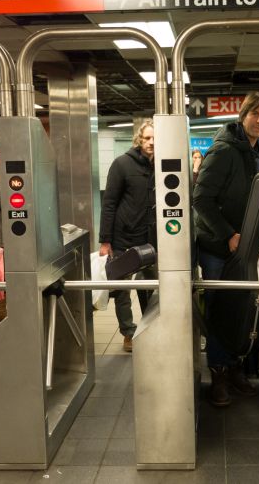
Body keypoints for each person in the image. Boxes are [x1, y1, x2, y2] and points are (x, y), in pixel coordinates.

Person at [193, 91, 259, 407]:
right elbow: (201, 199)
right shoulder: (224, 150)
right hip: (218, 247)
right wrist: (227, 234)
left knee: (245, 307)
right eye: (256, 114)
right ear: (243, 115)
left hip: (250, 247)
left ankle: (236, 367)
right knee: (219, 309)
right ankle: (218, 374)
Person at [99, 119, 158, 353]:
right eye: (147, 138)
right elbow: (109, 203)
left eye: (156, 138)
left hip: (150, 240)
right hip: (123, 239)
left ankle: (150, 328)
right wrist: (106, 240)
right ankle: (129, 333)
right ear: (139, 140)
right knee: (122, 291)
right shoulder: (122, 164)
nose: (152, 142)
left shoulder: (163, 166)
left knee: (151, 287)